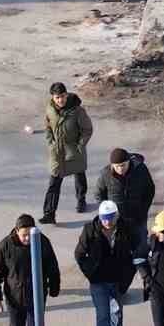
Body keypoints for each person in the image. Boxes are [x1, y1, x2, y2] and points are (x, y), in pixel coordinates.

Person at [76, 200, 142, 326]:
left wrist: (128, 275)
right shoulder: (90, 230)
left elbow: (137, 251)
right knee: (103, 315)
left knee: (116, 316)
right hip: (98, 281)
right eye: (104, 219)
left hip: (118, 281)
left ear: (117, 215)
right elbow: (79, 254)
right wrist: (90, 272)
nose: (107, 222)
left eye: (110, 218)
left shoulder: (127, 228)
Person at [0, 214, 60, 326]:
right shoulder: (6, 245)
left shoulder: (42, 242)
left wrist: (54, 287)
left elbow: (52, 267)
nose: (27, 238)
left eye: (29, 234)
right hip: (14, 299)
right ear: (17, 231)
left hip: (36, 298)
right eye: (24, 235)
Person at [41, 81, 93, 224]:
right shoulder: (50, 109)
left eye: (62, 96)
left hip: (74, 150)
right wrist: (50, 141)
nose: (60, 100)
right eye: (57, 97)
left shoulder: (77, 110)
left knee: (79, 174)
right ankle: (49, 213)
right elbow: (47, 126)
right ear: (53, 97)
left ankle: (81, 200)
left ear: (66, 94)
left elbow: (87, 129)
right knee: (54, 182)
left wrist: (80, 146)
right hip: (57, 152)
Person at [96, 148, 156, 234]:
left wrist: (143, 209)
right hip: (116, 219)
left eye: (123, 165)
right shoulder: (105, 174)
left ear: (129, 162)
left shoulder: (140, 170)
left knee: (141, 242)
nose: (120, 169)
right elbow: (99, 194)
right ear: (112, 165)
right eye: (117, 166)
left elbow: (149, 189)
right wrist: (108, 211)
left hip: (138, 217)